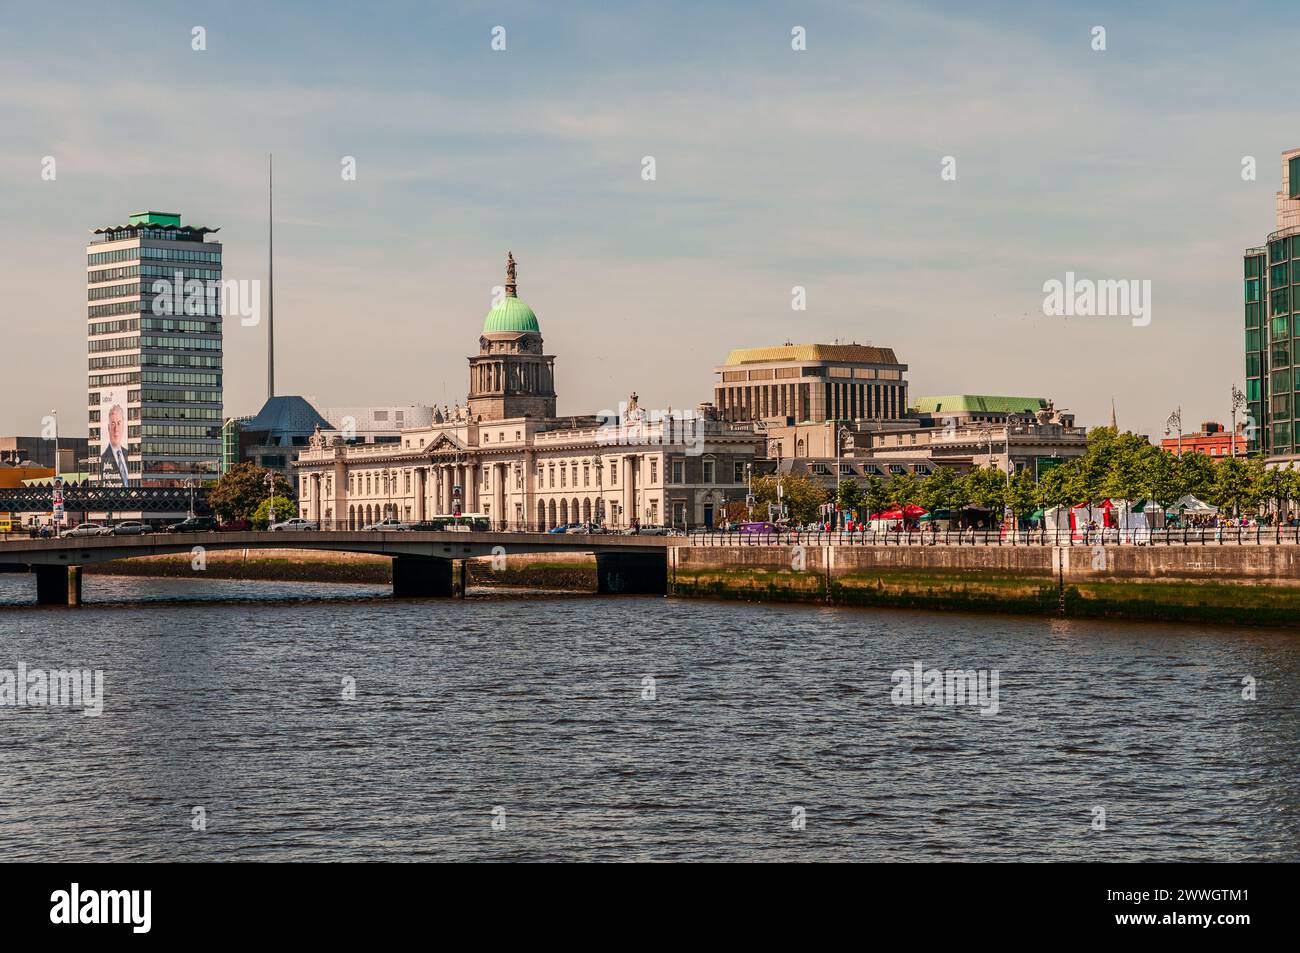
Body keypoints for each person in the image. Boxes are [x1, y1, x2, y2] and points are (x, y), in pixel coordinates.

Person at [100, 402, 130, 486]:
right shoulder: (103, 458)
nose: (116, 429)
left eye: (119, 423)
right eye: (113, 424)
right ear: (108, 427)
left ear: (123, 425)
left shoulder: (129, 454)